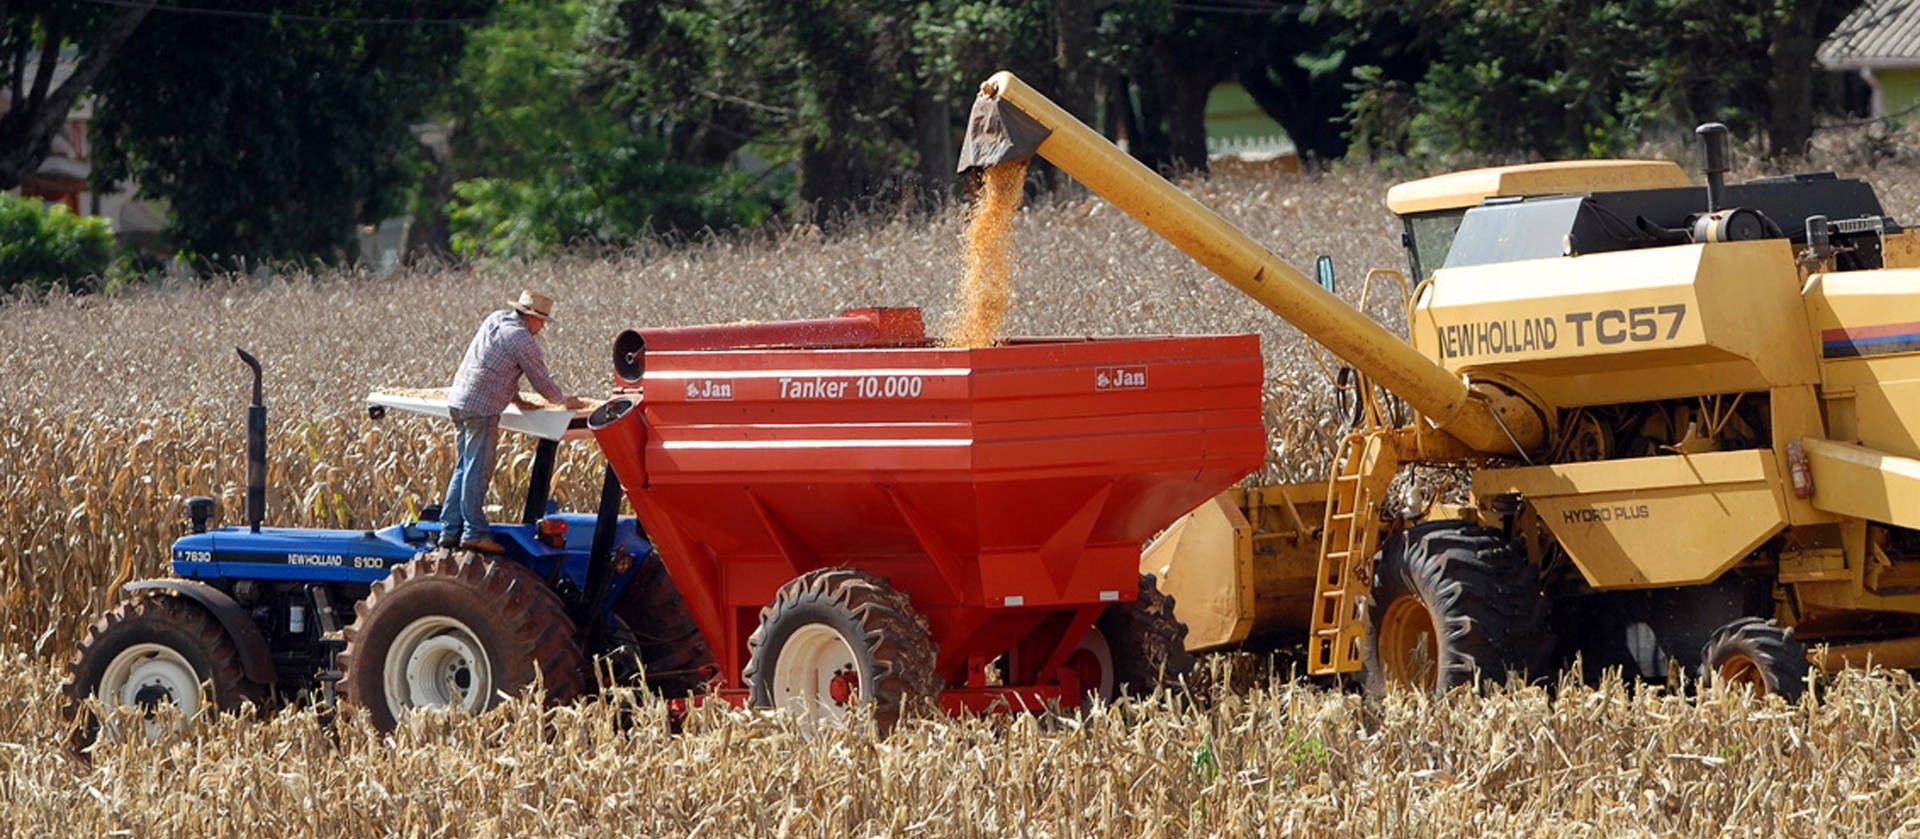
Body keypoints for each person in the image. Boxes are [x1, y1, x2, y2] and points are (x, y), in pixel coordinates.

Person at [439, 290, 582, 554]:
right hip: (481, 408)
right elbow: (540, 380)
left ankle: (449, 530)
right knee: (477, 470)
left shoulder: (497, 320)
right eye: (542, 322)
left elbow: (492, 366)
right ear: (532, 317)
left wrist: (514, 398)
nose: (542, 327)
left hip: (460, 401)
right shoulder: (522, 339)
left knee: (463, 466)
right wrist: (563, 400)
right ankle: (474, 533)